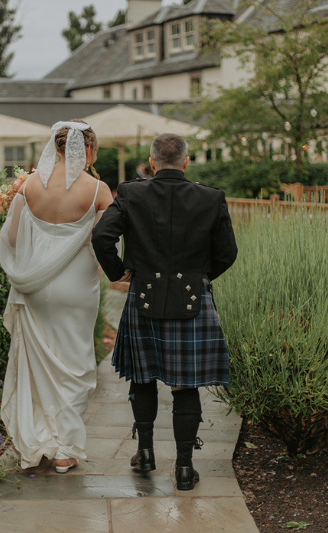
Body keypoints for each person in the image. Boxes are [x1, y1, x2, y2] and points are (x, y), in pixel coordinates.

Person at [91, 133, 237, 491]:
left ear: (152, 163)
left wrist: (121, 271)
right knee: (185, 386)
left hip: (144, 297)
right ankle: (185, 468)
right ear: (186, 162)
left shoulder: (130, 192)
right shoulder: (211, 197)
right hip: (193, 301)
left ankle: (145, 453)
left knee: (143, 378)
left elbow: (100, 237)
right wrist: (199, 278)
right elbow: (227, 253)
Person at [0, 120, 113, 473]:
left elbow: (14, 238)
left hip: (34, 287)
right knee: (74, 365)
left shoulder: (29, 185)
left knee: (40, 366)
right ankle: (65, 450)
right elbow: (107, 243)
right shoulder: (97, 190)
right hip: (76, 287)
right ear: (89, 149)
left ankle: (40, 440)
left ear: (56, 146)